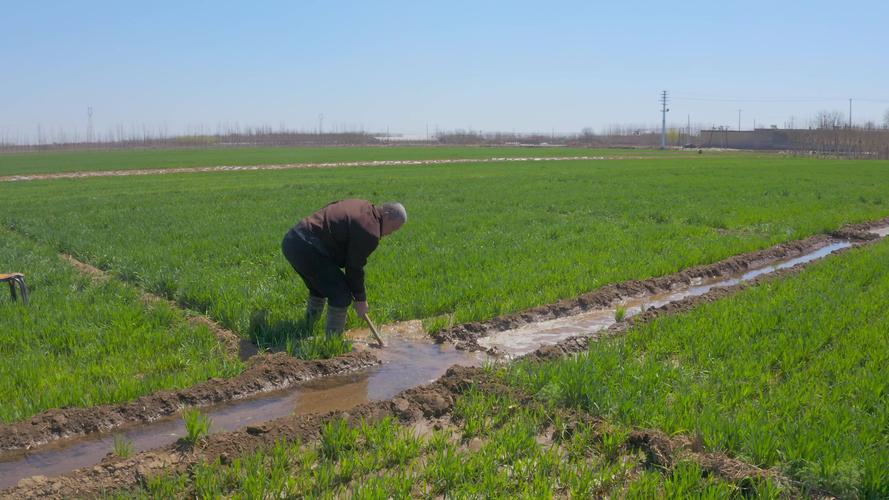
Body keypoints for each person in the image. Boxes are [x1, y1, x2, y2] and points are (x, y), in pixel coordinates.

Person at [282, 199, 407, 335]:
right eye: (394, 228)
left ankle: (308, 328)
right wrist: (361, 300)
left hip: (292, 240)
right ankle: (333, 342)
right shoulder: (370, 230)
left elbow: (329, 208)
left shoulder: (362, 204)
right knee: (341, 295)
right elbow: (354, 267)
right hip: (308, 248)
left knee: (320, 287)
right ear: (387, 215)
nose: (391, 233)